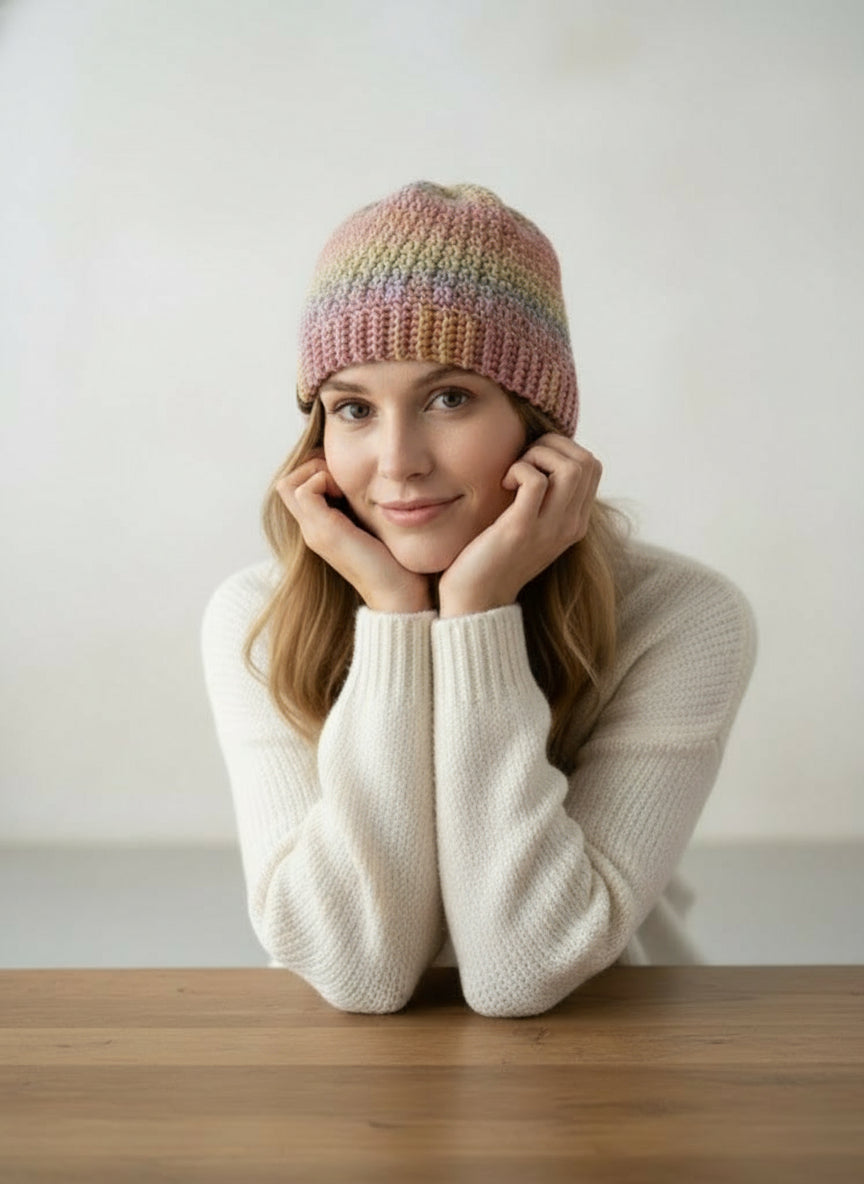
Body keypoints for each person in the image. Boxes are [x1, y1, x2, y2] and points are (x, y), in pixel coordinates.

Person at [200, 181, 757, 1018]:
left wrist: (477, 617)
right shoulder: (257, 619)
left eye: (449, 398)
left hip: (620, 1077)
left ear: (538, 421)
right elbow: (356, 970)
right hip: (353, 1108)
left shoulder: (682, 616)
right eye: (353, 407)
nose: (396, 462)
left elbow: (523, 969)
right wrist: (394, 617)